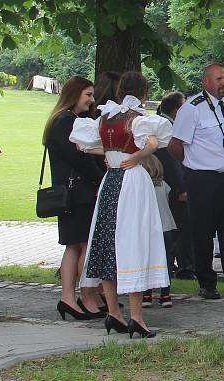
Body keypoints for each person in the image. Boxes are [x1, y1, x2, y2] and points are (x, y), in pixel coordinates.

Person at [69, 71, 171, 338]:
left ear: (119, 92)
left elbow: (87, 148)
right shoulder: (138, 120)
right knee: (132, 242)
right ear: (144, 93)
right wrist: (138, 156)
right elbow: (152, 143)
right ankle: (136, 316)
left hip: (110, 181)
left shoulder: (104, 118)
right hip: (132, 183)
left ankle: (114, 312)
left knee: (107, 242)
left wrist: (115, 154)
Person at [167, 63, 224, 300]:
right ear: (205, 81)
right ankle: (207, 282)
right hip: (202, 180)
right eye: (218, 79)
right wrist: (194, 164)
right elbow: (175, 145)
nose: (223, 83)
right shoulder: (192, 109)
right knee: (202, 233)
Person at [43, 76, 107, 320]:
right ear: (74, 95)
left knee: (75, 246)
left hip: (76, 192)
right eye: (88, 95)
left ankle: (71, 298)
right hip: (77, 193)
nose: (92, 100)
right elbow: (79, 159)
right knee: (82, 246)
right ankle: (83, 296)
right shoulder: (66, 122)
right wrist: (102, 179)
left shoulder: (67, 120)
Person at [156, 91, 195, 280]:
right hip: (171, 186)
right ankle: (184, 265)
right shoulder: (167, 128)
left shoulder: (164, 125)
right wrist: (182, 188)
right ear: (176, 110)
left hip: (165, 184)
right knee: (181, 226)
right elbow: (172, 162)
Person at [141, 155, 176, 308]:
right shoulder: (164, 185)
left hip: (149, 228)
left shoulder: (142, 187)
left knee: (147, 260)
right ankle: (165, 293)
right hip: (168, 226)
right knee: (167, 261)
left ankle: (147, 294)